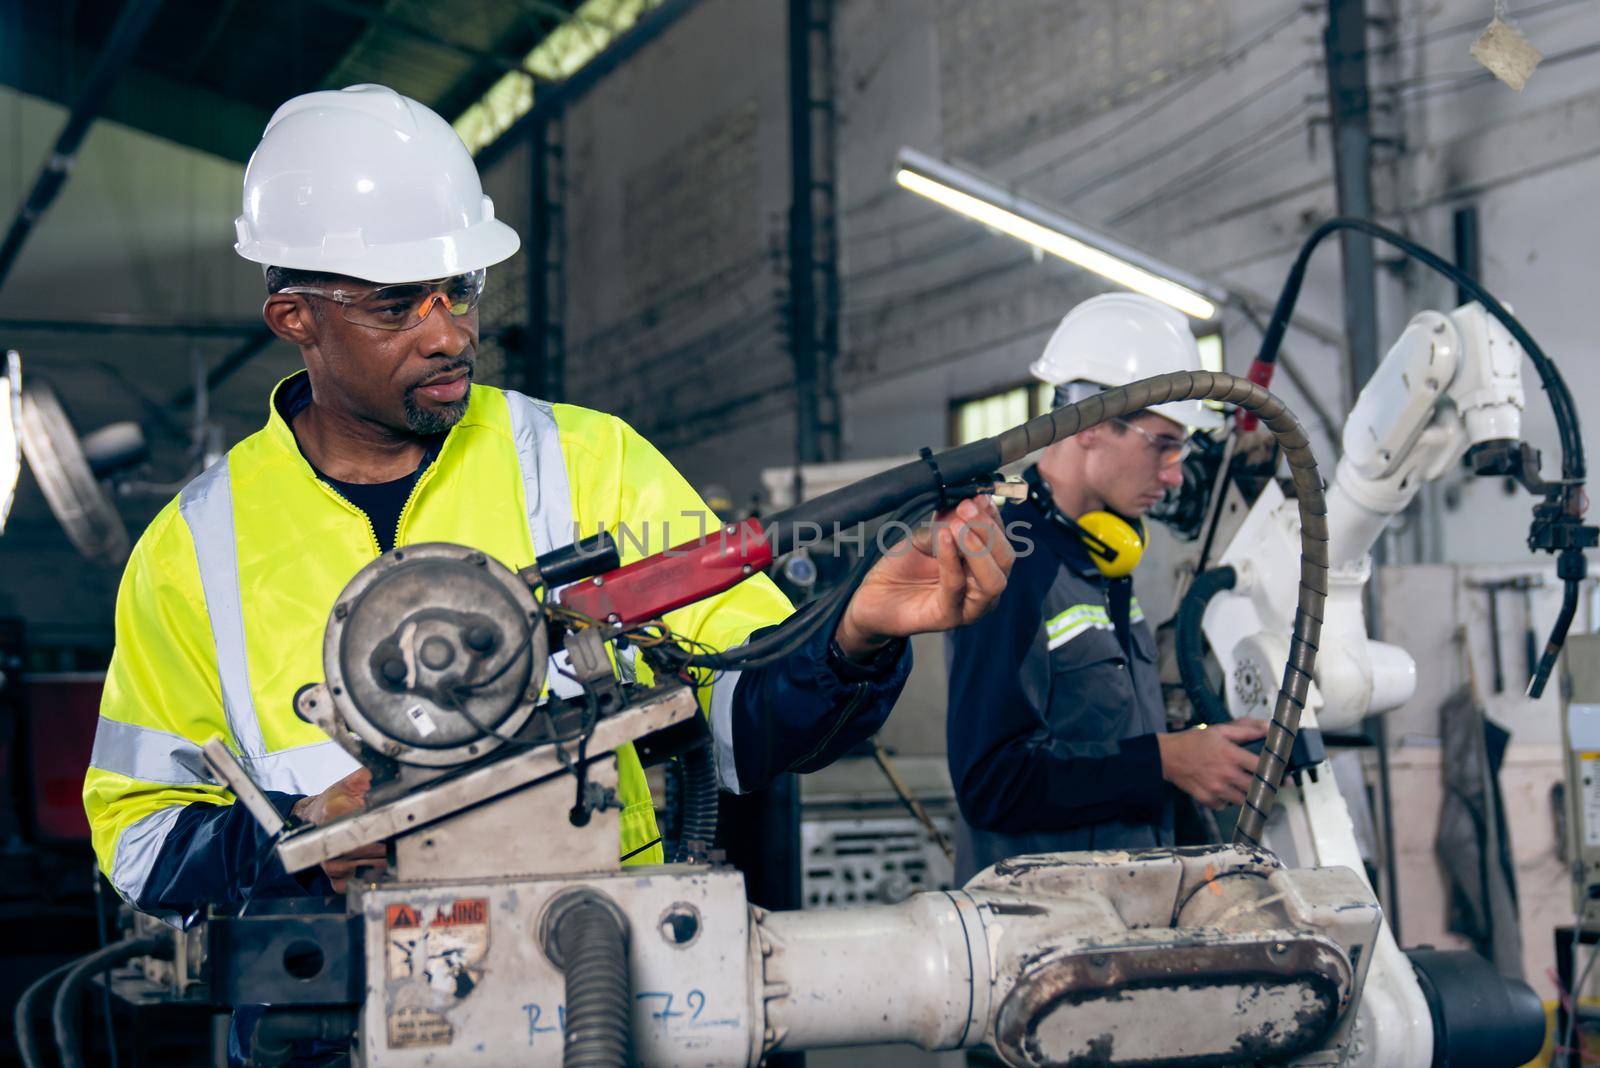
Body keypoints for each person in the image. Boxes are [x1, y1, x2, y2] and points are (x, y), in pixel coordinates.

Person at [83, 84, 1013, 919]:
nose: (450, 333)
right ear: (297, 319)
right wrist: (301, 838)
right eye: (399, 303)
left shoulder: (586, 462)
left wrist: (855, 637)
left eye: (463, 290)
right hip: (334, 1014)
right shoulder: (193, 548)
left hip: (601, 972)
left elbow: (742, 719)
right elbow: (139, 843)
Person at [945, 293, 1267, 882]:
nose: (1174, 475)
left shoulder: (1105, 552)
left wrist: (1200, 761)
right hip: (1040, 933)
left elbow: (1103, 741)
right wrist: (1165, 761)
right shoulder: (1009, 556)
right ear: (1089, 422)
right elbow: (990, 783)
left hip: (1125, 917)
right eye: (1163, 444)